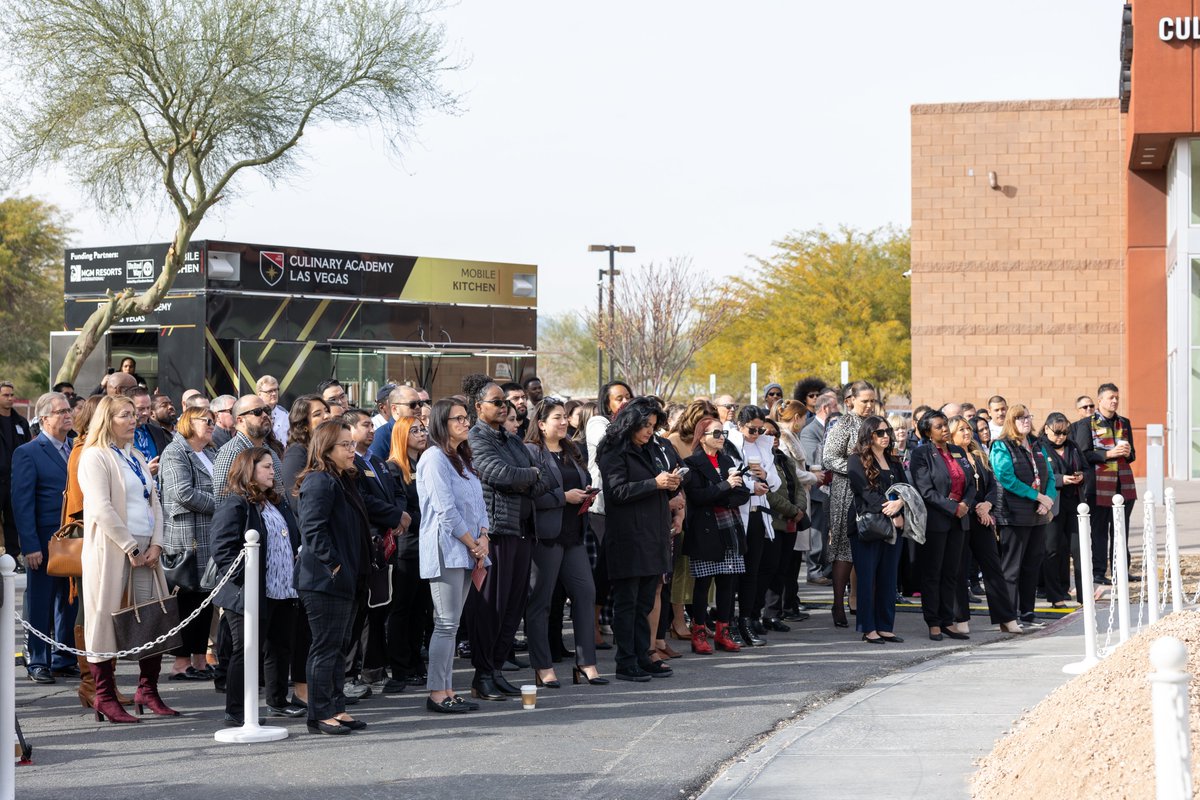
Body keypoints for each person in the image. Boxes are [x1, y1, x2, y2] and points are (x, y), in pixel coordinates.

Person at [78, 395, 177, 723]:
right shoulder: (95, 457)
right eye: (125, 415)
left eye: (134, 414)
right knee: (104, 621)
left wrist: (157, 545)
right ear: (108, 420)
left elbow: (155, 502)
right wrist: (130, 547)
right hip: (112, 549)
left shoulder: (134, 455)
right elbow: (101, 507)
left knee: (154, 619)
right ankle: (104, 696)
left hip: (147, 549)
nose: (134, 420)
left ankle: (147, 690)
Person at [466, 380, 552, 700]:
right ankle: (482, 674)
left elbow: (544, 477)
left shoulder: (511, 438)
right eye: (497, 402)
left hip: (523, 530)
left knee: (513, 608)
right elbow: (496, 472)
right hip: (497, 532)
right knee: (491, 608)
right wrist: (528, 475)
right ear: (479, 407)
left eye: (506, 403)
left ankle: (496, 669)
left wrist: (526, 476)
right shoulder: (476, 437)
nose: (505, 407)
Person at [209, 448, 303, 726]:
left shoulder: (274, 502)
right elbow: (223, 548)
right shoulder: (236, 503)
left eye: (272, 467)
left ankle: (277, 701)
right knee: (245, 649)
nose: (272, 471)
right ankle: (235, 710)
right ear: (248, 470)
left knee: (279, 647)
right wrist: (246, 579)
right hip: (248, 591)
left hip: (282, 589)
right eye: (265, 467)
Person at [295, 420, 372, 734]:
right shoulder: (319, 481)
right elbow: (313, 530)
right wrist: (336, 566)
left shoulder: (342, 480)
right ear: (326, 449)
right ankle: (320, 713)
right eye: (345, 445)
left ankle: (337, 707)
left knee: (339, 647)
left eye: (352, 444)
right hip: (324, 581)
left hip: (345, 578)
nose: (352, 450)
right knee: (325, 647)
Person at [596, 397, 680, 682]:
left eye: (653, 426)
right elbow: (617, 491)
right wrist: (654, 483)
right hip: (628, 537)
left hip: (653, 534)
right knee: (628, 602)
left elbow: (652, 486)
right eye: (645, 425)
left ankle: (643, 655)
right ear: (631, 421)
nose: (648, 431)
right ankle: (626, 661)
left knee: (645, 601)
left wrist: (669, 485)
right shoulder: (612, 449)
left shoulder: (648, 449)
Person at [524, 399, 606, 687]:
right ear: (542, 423)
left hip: (574, 534)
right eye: (556, 418)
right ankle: (543, 666)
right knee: (541, 602)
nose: (562, 422)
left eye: (564, 418)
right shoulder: (531, 452)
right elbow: (530, 495)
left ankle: (586, 663)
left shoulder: (572, 450)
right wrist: (564, 498)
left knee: (586, 593)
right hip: (546, 536)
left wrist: (585, 494)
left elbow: (579, 481)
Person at [417, 398, 488, 713]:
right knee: (445, 623)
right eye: (458, 419)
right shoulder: (433, 458)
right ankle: (437, 693)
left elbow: (478, 503)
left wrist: (484, 536)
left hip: (467, 547)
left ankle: (448, 689)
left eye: (466, 418)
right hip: (446, 548)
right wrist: (473, 542)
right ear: (441, 424)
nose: (466, 423)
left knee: (452, 623)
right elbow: (446, 511)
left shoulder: (463, 458)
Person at [12, 391, 77, 684]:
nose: (68, 415)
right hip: (43, 540)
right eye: (61, 411)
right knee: (40, 601)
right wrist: (30, 546)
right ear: (44, 418)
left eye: (68, 410)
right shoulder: (28, 452)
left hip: (73, 540)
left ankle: (63, 657)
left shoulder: (76, 448)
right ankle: (38, 659)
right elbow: (22, 503)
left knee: (69, 600)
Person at [344, 408, 406, 692]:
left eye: (372, 425)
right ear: (350, 430)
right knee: (361, 613)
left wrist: (398, 515)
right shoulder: (351, 464)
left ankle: (373, 671)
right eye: (365, 425)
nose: (372, 430)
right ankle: (351, 674)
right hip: (367, 542)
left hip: (387, 543)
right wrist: (394, 515)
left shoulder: (378, 462)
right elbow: (365, 500)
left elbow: (395, 493)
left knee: (379, 608)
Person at [159, 406, 219, 681]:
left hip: (208, 536)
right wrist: (221, 504)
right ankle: (181, 664)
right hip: (185, 539)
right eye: (206, 420)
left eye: (213, 420)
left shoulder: (210, 452)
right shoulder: (175, 452)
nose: (211, 424)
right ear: (187, 422)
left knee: (204, 598)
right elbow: (182, 493)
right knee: (186, 599)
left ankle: (199, 660)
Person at [682, 416, 750, 654]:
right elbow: (697, 497)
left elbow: (742, 493)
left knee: (728, 583)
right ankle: (698, 632)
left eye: (723, 434)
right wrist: (725, 487)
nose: (722, 438)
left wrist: (722, 492)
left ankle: (723, 632)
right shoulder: (691, 463)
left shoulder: (728, 459)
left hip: (730, 525)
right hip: (705, 529)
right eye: (717, 434)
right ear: (702, 437)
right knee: (702, 584)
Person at [946, 416, 1020, 634]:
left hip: (983, 518)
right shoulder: (949, 456)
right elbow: (955, 487)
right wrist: (977, 506)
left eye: (968, 429)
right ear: (951, 434)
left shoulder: (979, 454)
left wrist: (987, 504)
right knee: (959, 569)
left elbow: (991, 484)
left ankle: (1006, 618)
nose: (967, 433)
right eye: (961, 430)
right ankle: (961, 620)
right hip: (962, 517)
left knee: (993, 568)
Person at [909, 411, 973, 642]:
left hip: (960, 519)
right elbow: (926, 490)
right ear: (928, 431)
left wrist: (965, 503)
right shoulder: (921, 453)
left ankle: (948, 620)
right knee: (933, 573)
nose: (945, 429)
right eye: (939, 426)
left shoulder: (957, 450)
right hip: (937, 521)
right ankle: (933, 621)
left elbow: (970, 481)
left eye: (946, 425)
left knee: (952, 573)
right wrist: (952, 507)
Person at [991, 404, 1056, 629]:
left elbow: (1050, 478)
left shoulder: (1038, 445)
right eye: (1020, 418)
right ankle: (1009, 617)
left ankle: (1028, 612)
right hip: (1014, 514)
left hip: (1038, 515)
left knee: (1032, 564)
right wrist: (1037, 497)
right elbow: (1006, 478)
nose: (1026, 421)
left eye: (1028, 416)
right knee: (1012, 568)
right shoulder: (1001, 446)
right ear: (1011, 421)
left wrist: (1047, 500)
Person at [822, 380, 878, 628]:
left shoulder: (875, 424)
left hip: (873, 490)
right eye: (864, 401)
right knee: (844, 548)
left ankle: (862, 600)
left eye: (872, 401)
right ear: (850, 401)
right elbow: (829, 457)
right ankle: (837, 603)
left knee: (868, 544)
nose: (869, 405)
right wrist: (858, 471)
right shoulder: (843, 424)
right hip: (846, 490)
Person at [847, 415, 907, 644]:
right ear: (868, 435)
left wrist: (900, 505)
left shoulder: (894, 460)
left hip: (895, 525)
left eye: (887, 431)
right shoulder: (856, 459)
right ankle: (868, 627)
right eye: (879, 432)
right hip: (867, 526)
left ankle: (885, 626)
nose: (885, 436)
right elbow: (865, 492)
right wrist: (891, 511)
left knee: (888, 577)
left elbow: (905, 488)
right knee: (867, 577)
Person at [725, 405, 781, 646]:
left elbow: (776, 482)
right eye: (752, 429)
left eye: (760, 429)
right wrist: (750, 486)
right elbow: (729, 477)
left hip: (759, 514)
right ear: (740, 425)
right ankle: (727, 623)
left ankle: (746, 620)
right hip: (737, 514)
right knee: (732, 574)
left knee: (752, 572)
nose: (756, 433)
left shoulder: (763, 445)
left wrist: (765, 477)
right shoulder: (731, 444)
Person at [1071, 383, 1137, 586]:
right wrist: (1108, 454)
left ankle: (1121, 570)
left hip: (1123, 483)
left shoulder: (1124, 423)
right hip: (1098, 484)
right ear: (1100, 400)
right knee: (1099, 530)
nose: (1115, 401)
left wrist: (1127, 453)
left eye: (1117, 397)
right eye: (1110, 397)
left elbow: (1132, 454)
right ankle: (1099, 571)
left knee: (1121, 529)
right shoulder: (1086, 424)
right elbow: (1083, 454)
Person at [383, 416, 431, 691]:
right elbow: (402, 511)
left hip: (425, 546)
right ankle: (401, 667)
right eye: (414, 430)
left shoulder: (425, 463)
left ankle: (416, 662)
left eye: (422, 429)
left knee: (421, 610)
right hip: (406, 548)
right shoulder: (394, 469)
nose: (421, 433)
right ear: (402, 435)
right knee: (402, 609)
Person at [586, 381, 633, 649]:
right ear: (607, 402)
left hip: (625, 507)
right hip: (601, 507)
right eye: (618, 398)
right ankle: (592, 624)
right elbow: (611, 443)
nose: (624, 402)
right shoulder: (598, 423)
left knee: (618, 570)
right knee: (599, 570)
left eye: (628, 397)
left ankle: (608, 620)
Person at [760, 416, 810, 630]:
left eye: (775, 434)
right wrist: (791, 510)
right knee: (768, 569)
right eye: (767, 434)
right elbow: (768, 493)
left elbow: (797, 486)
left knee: (783, 569)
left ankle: (774, 614)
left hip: (791, 521)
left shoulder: (784, 459)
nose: (773, 438)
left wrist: (799, 509)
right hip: (772, 521)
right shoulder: (759, 460)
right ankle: (758, 614)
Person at [1039, 412, 1086, 608]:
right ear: (1047, 429)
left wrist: (1081, 476)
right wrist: (1061, 479)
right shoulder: (1039, 447)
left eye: (1064, 432)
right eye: (1057, 432)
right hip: (1052, 503)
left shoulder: (1072, 446)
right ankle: (1055, 596)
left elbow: (1086, 467)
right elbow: (1040, 475)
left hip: (1073, 503)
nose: (1060, 436)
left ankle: (1083, 595)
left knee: (1078, 549)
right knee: (1052, 550)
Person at [800, 393, 838, 585]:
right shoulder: (810, 430)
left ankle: (825, 568)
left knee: (827, 533)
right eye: (835, 406)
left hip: (831, 490)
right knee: (817, 532)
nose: (838, 409)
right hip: (818, 490)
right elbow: (812, 459)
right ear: (826, 408)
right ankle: (814, 570)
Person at [0, 381, 32, 562]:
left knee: (14, 519)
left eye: (12, 395)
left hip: (16, 479)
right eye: (6, 395)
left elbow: (28, 447)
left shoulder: (20, 422)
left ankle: (13, 558)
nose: (10, 398)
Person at [368, 384, 422, 462]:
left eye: (420, 404)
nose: (418, 407)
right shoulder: (381, 437)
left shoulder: (425, 433)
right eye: (412, 405)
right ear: (395, 409)